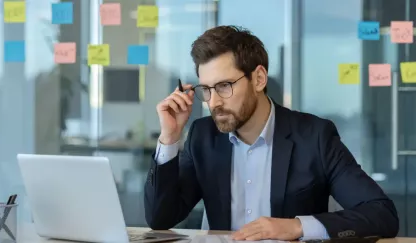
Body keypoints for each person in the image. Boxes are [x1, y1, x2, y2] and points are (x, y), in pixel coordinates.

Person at [144, 25, 399, 241]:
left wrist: (297, 226)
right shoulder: (203, 136)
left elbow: (381, 213)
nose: (213, 103)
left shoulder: (314, 137)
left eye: (223, 86)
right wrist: (169, 137)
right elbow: (160, 218)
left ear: (259, 79)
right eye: (206, 89)